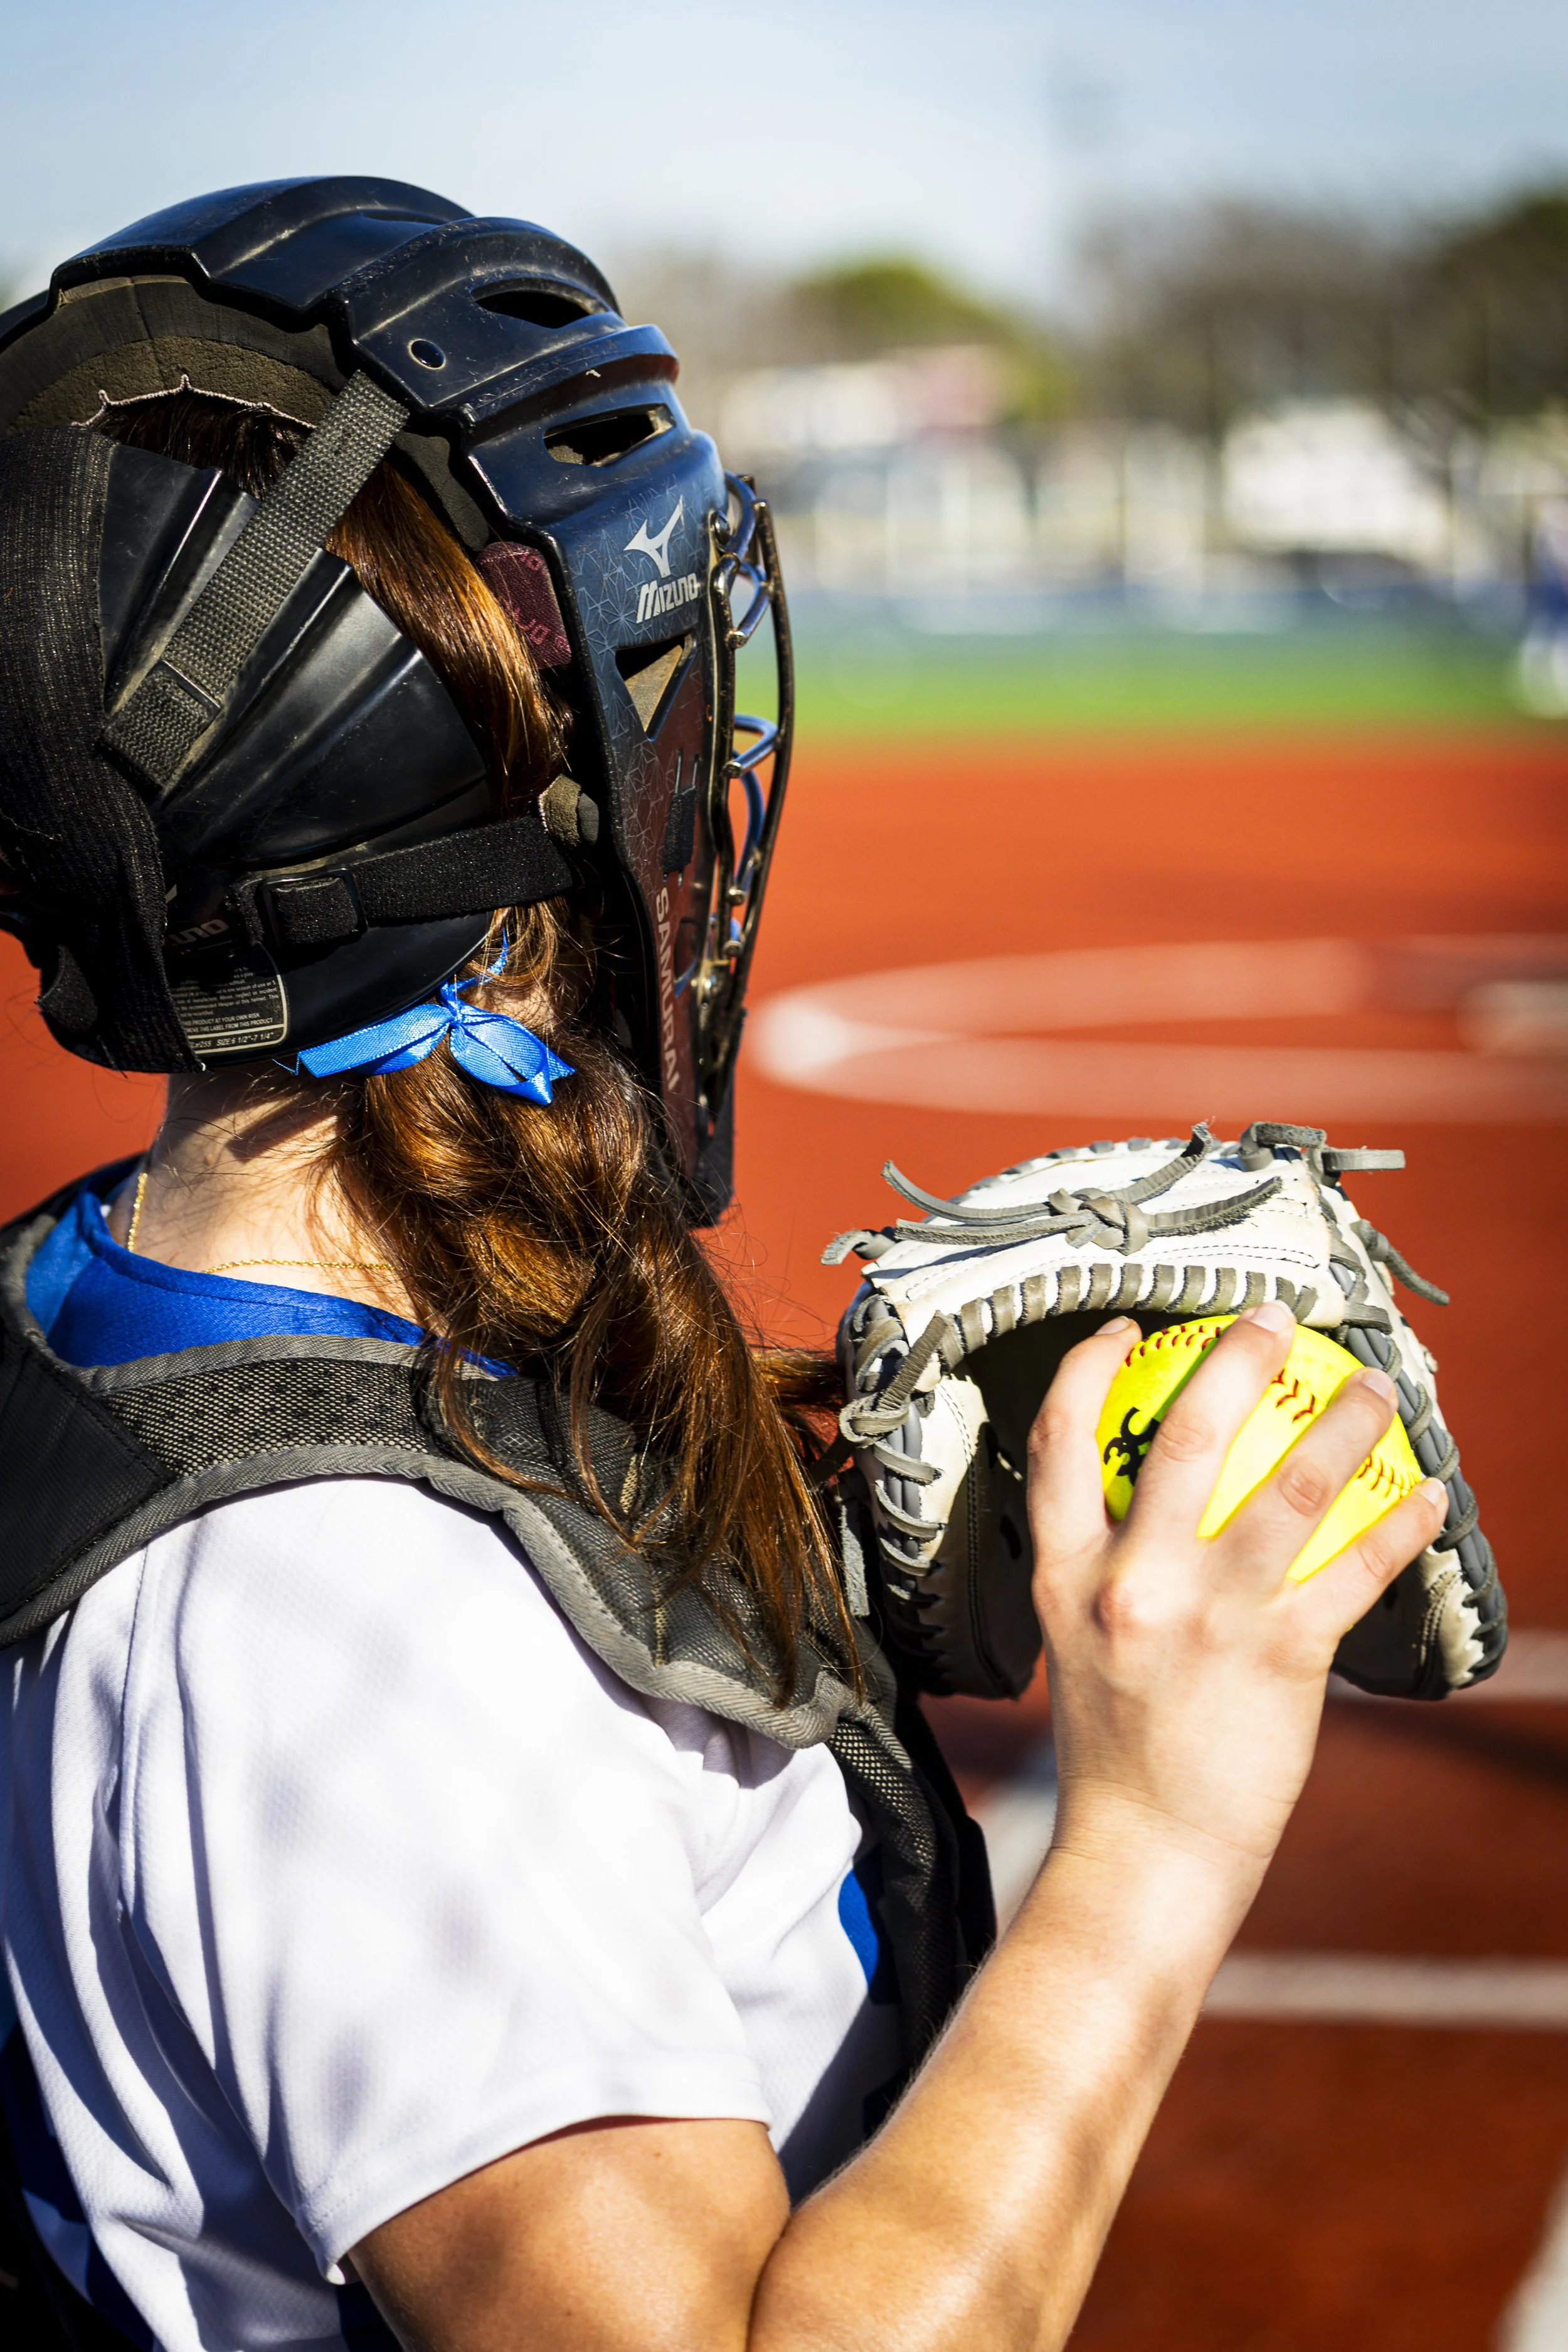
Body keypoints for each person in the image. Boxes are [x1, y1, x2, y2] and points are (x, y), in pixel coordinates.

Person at [0, 181, 1448, 2352]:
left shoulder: (101, 1292)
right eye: (633, 694)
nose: (684, 765)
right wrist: (1157, 1829)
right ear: (457, 838)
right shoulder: (349, 1627)